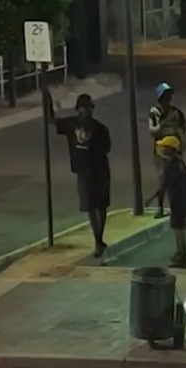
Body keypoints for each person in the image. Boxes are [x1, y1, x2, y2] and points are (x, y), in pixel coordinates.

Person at [48, 92, 111, 258]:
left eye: (88, 108)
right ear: (79, 109)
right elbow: (52, 120)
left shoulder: (100, 128)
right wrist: (47, 98)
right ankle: (98, 240)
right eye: (83, 108)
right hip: (84, 172)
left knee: (101, 206)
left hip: (100, 171)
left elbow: (106, 149)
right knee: (90, 206)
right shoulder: (71, 124)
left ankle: (99, 239)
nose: (86, 111)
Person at [149, 82, 186, 223]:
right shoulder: (155, 112)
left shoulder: (176, 112)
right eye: (166, 95)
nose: (169, 98)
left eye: (169, 95)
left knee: (184, 178)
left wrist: (182, 137)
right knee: (163, 178)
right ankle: (160, 207)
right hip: (162, 151)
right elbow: (153, 129)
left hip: (176, 150)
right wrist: (164, 127)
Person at [152, 136, 186, 268]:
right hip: (182, 200)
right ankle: (180, 253)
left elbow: (164, 186)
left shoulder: (171, 165)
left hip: (178, 201)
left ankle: (182, 255)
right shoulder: (179, 162)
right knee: (179, 228)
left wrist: (160, 205)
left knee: (178, 229)